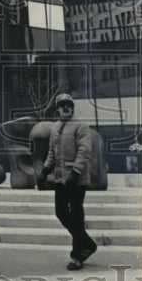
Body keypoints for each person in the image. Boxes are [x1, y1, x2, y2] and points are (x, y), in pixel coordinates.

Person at [37, 92, 97, 270]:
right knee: (60, 212)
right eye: (62, 105)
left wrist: (75, 173)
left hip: (77, 180)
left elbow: (84, 152)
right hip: (61, 179)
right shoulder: (54, 128)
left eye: (69, 105)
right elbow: (52, 153)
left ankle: (77, 257)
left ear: (73, 107)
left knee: (77, 216)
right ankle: (88, 243)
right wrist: (44, 171)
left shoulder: (81, 127)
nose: (66, 107)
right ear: (57, 108)